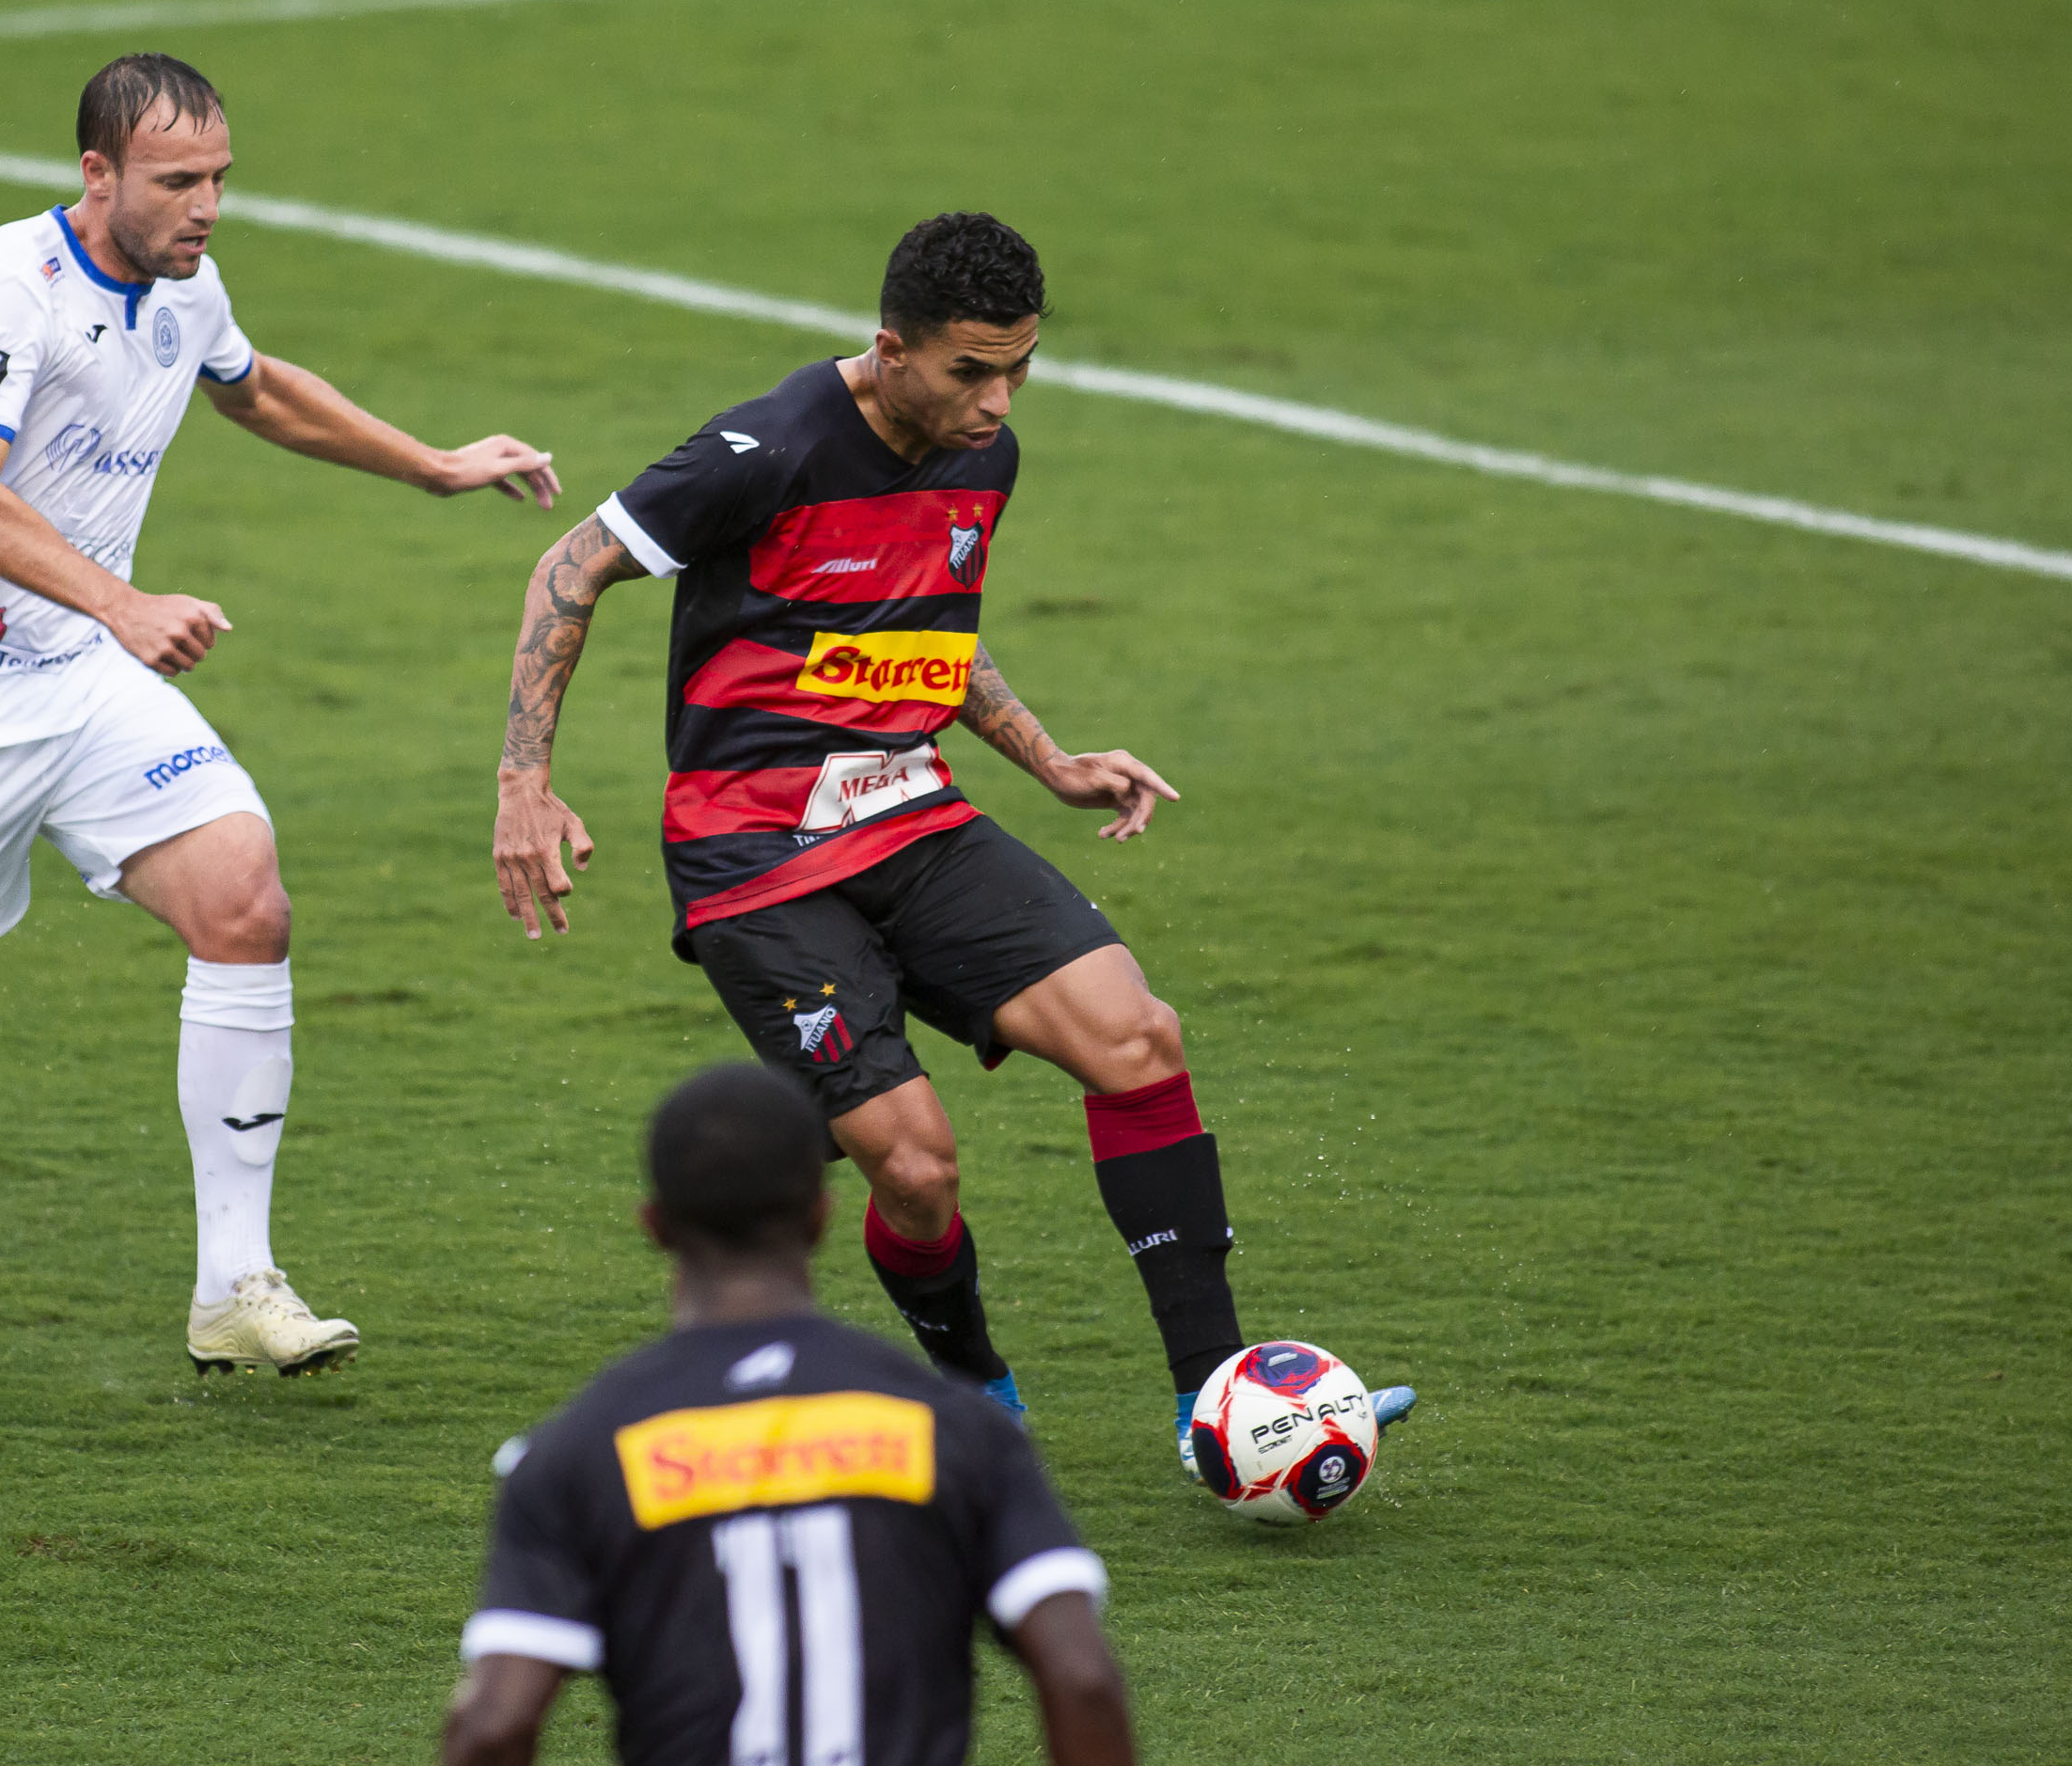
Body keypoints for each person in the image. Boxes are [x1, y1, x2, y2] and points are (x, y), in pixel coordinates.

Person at [0, 53, 561, 1376]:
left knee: (246, 901)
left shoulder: (186, 287)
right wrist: (123, 605)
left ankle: (235, 1290)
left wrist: (431, 465)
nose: (207, 207)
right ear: (97, 174)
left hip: (78, 688)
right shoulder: (6, 286)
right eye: (178, 182)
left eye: (220, 180)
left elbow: (254, 387)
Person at [489, 212, 1411, 1470]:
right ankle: (973, 1386)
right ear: (892, 349)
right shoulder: (766, 448)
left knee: (1139, 1040)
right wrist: (523, 786)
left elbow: (930, 632)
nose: (1000, 399)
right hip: (754, 856)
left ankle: (1221, 1403)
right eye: (973, 369)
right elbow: (569, 567)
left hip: (913, 816)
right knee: (916, 1168)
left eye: (1020, 366)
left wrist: (1053, 758)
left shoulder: (986, 457)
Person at [442, 1064, 1136, 1766]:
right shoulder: (952, 1424)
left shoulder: (576, 1452)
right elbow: (1082, 1678)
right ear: (819, 1214)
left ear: (654, 1226)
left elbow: (495, 1725)